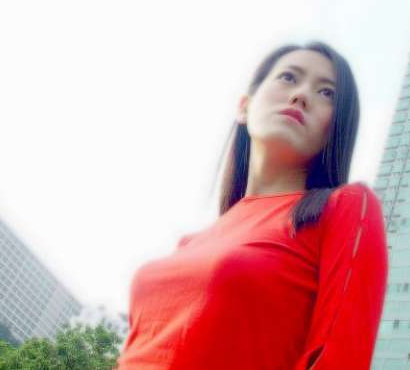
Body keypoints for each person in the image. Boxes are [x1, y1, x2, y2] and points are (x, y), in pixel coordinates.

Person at [116, 41, 389, 369]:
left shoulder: (344, 209)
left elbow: (339, 357)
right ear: (244, 106)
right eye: (288, 77)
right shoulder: (189, 244)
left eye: (327, 93)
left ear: (337, 127)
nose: (301, 95)